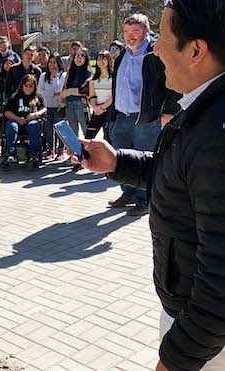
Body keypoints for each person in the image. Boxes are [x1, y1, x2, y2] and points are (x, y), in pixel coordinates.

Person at [80, 2, 225, 370]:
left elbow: (221, 282)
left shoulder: (216, 132)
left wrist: (176, 358)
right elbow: (176, 175)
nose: (155, 48)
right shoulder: (203, 108)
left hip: (206, 342)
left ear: (195, 51)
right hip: (190, 319)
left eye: (163, 37)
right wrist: (116, 162)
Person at [108, 13, 181, 216]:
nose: (130, 36)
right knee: (122, 156)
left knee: (144, 157)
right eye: (126, 32)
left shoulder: (156, 53)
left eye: (135, 32)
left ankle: (144, 200)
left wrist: (167, 110)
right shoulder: (123, 54)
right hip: (122, 115)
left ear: (146, 31)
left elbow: (173, 82)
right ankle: (128, 193)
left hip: (146, 118)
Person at [2, 73, 47, 170]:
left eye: (31, 86)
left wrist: (35, 115)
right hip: (17, 122)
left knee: (34, 125)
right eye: (26, 85)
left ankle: (33, 154)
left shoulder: (38, 97)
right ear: (22, 85)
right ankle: (11, 153)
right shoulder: (15, 96)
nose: (28, 88)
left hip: (31, 123)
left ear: (34, 87)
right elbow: (6, 112)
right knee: (12, 126)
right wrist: (18, 119)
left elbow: (44, 109)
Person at [0, 36, 21, 154]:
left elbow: (20, 71)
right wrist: (2, 71)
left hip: (14, 91)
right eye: (0, 42)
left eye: (4, 42)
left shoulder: (15, 56)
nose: (2, 44)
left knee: (15, 114)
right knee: (1, 117)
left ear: (8, 43)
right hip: (0, 91)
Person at [38, 53, 66, 159]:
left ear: (59, 64)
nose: (52, 65)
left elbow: (59, 90)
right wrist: (52, 93)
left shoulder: (63, 75)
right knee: (48, 129)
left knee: (59, 128)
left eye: (54, 62)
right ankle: (51, 150)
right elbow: (40, 91)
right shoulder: (43, 76)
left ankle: (61, 150)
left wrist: (55, 78)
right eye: (50, 62)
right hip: (47, 106)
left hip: (59, 106)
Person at [61, 47, 91, 142]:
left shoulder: (88, 73)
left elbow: (85, 90)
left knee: (87, 132)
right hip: (69, 104)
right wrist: (63, 97)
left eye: (82, 55)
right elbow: (65, 89)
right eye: (77, 55)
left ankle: (90, 155)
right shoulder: (70, 72)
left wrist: (70, 92)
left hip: (82, 105)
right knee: (73, 133)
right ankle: (76, 154)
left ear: (86, 59)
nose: (79, 57)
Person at [86, 51, 113, 140]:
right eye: (99, 59)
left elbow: (114, 96)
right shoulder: (93, 79)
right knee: (88, 137)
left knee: (108, 138)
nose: (101, 61)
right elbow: (92, 96)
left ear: (108, 60)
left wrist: (102, 108)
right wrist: (95, 107)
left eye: (104, 59)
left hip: (109, 112)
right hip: (97, 111)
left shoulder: (114, 77)